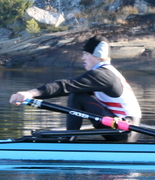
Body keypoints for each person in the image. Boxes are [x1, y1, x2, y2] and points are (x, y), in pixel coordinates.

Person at [9, 35, 142, 141]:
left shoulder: (102, 75)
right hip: (127, 128)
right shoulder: (109, 72)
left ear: (97, 54)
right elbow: (65, 88)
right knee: (77, 93)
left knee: (76, 95)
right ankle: (71, 136)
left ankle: (70, 139)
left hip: (123, 130)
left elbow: (65, 86)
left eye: (86, 54)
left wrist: (30, 93)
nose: (82, 58)